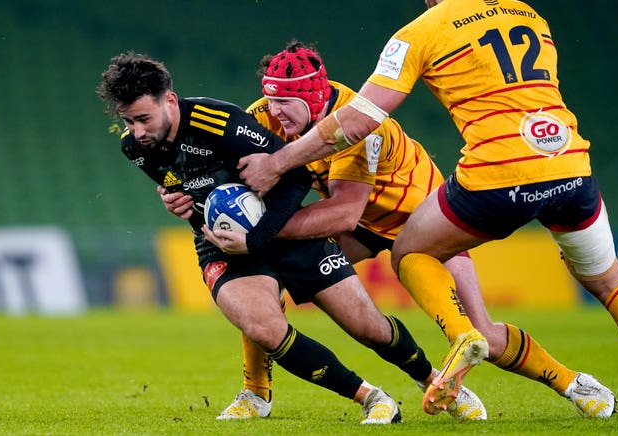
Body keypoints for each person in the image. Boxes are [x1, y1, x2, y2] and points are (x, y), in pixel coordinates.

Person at [162, 40, 616, 419]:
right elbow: (227, 173)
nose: (276, 112)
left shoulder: (356, 124)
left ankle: (576, 385)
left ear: (316, 97)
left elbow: (340, 212)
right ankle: (256, 393)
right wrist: (183, 193)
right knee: (266, 283)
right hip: (363, 225)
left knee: (482, 334)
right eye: (272, 98)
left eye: (287, 101)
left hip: (429, 223)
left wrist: (261, 232)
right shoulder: (261, 115)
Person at [96, 51, 487, 425]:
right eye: (130, 122)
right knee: (263, 326)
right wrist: (175, 199)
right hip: (223, 244)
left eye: (144, 118)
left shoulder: (220, 121)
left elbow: (296, 174)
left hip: (280, 227)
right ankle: (368, 396)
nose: (138, 132)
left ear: (170, 100)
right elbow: (175, 184)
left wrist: (261, 234)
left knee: (368, 326)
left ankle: (431, 378)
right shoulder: (136, 149)